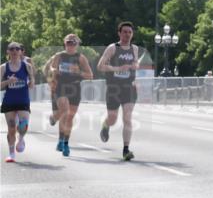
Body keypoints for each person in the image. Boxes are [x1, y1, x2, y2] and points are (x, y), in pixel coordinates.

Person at [96, 22, 141, 161]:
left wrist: (135, 66)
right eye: (125, 32)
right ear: (119, 33)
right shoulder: (112, 48)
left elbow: (135, 65)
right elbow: (100, 66)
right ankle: (105, 124)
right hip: (114, 88)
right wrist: (118, 68)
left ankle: (126, 150)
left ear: (132, 34)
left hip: (129, 87)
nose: (127, 34)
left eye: (130, 32)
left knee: (127, 118)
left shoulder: (134, 48)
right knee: (113, 119)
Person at [44, 34, 94, 156]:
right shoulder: (59, 56)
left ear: (77, 45)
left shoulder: (81, 58)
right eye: (68, 43)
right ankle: (61, 140)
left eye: (73, 43)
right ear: (65, 44)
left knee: (69, 117)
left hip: (75, 87)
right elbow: (51, 68)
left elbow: (90, 75)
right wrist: (53, 72)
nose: (70, 45)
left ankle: (65, 142)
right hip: (61, 86)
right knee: (65, 111)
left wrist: (78, 72)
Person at [1, 42, 35, 163]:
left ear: (21, 51)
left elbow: (32, 82)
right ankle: (11, 154)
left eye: (17, 49)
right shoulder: (3, 67)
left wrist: (31, 82)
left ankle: (21, 139)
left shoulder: (27, 66)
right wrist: (8, 82)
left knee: (23, 124)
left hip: (23, 99)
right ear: (8, 52)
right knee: (11, 128)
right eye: (11, 49)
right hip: (9, 100)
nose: (14, 51)